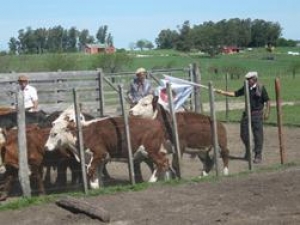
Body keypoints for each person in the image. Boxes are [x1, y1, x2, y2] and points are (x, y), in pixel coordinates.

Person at [215, 71, 271, 164]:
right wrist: (222, 92)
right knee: (243, 134)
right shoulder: (246, 87)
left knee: (258, 136)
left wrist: (267, 113)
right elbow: (235, 93)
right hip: (246, 114)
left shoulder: (261, 88)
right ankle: (249, 150)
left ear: (254, 79)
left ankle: (258, 155)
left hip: (257, 114)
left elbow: (267, 101)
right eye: (247, 79)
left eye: (249, 79)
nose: (247, 81)